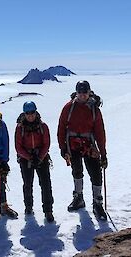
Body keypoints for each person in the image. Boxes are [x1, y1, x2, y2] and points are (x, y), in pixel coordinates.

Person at [57, 80, 108, 219]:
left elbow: (100, 132)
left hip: (88, 146)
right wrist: (62, 147)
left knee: (96, 173)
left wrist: (103, 153)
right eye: (80, 93)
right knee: (77, 171)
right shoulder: (68, 107)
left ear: (89, 92)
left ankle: (97, 202)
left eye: (84, 93)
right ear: (76, 93)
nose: (82, 96)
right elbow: (61, 127)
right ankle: (79, 198)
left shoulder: (94, 109)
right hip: (73, 145)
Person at [15, 101, 54, 222]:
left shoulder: (43, 126)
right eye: (28, 113)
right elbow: (18, 146)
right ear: (24, 114)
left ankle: (48, 210)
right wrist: (30, 157)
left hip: (40, 157)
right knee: (28, 184)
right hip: (26, 159)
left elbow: (46, 143)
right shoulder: (20, 128)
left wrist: (40, 157)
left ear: (36, 112)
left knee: (45, 184)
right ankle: (28, 206)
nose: (30, 116)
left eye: (32, 113)